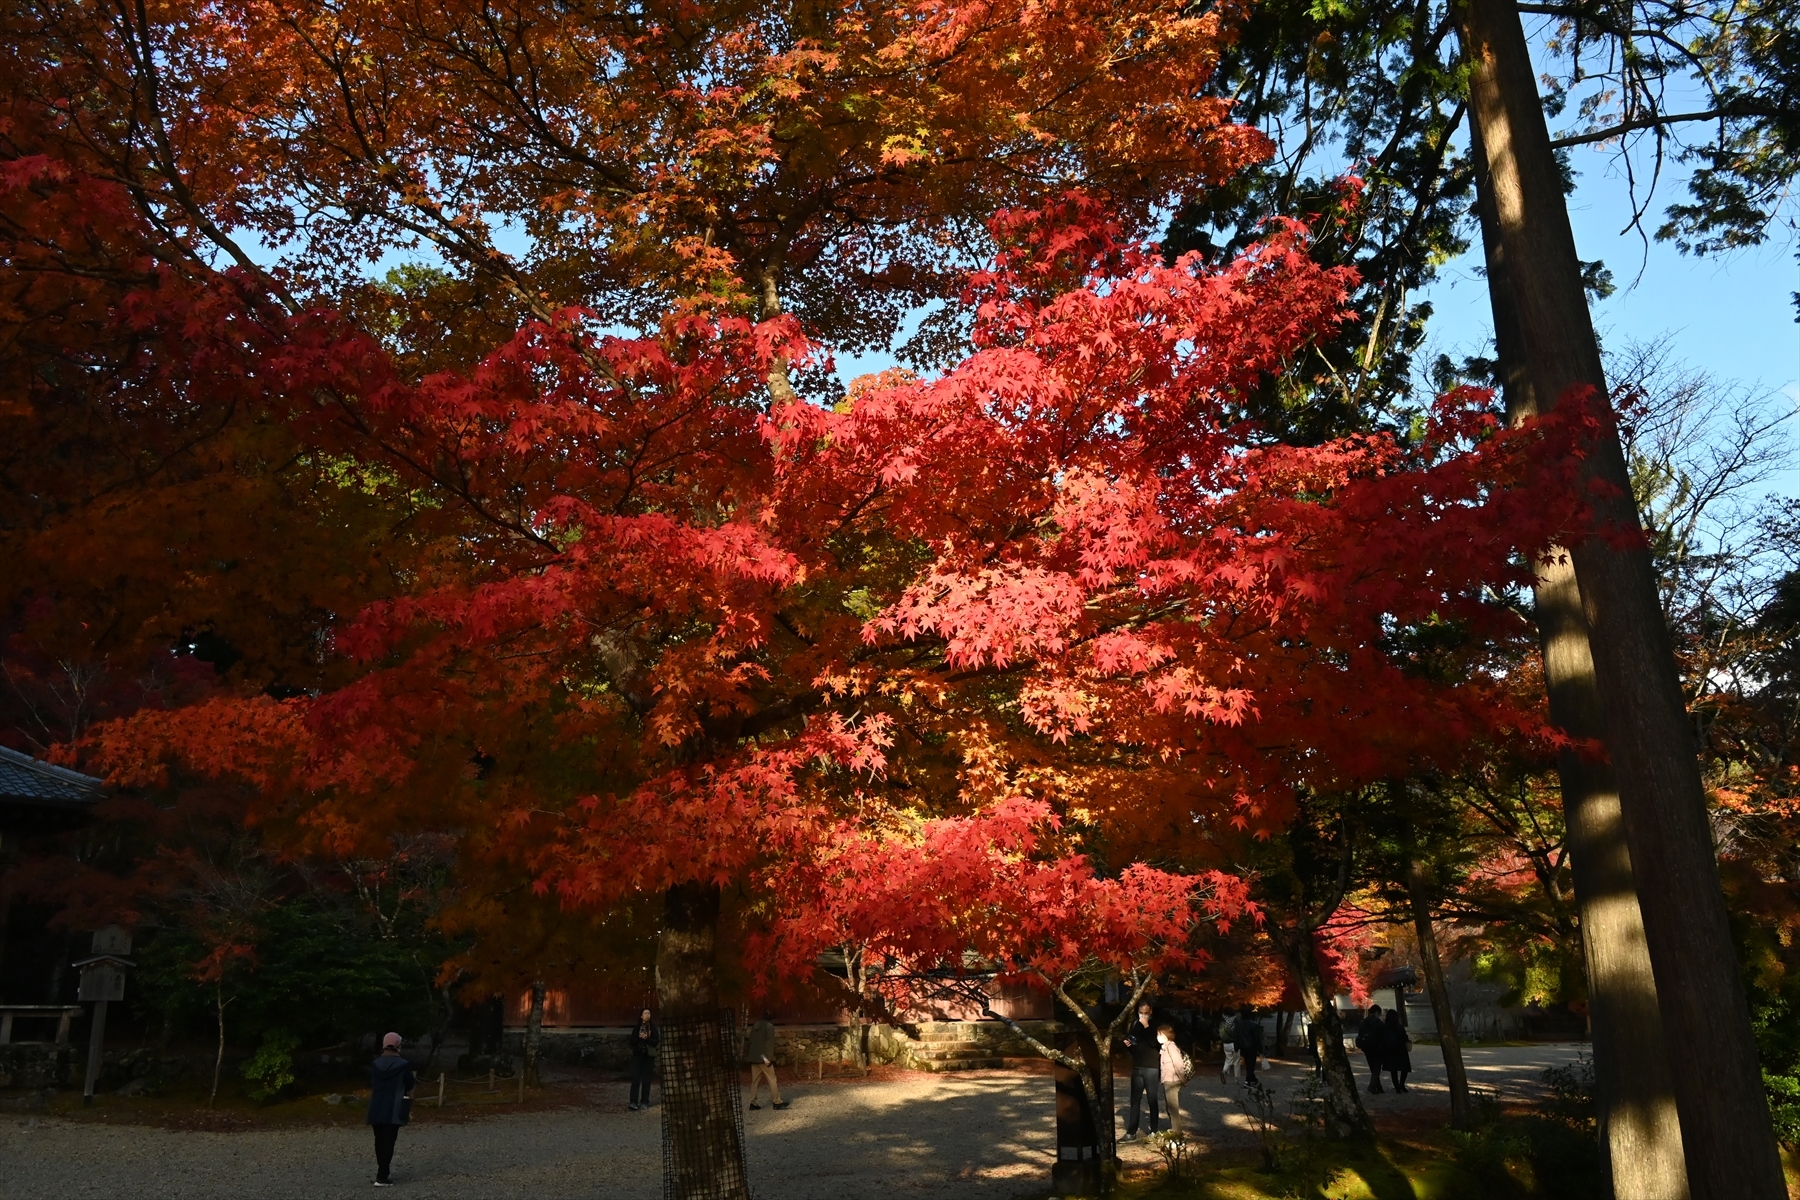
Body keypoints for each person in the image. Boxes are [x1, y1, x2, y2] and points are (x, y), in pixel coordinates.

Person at [366, 1031, 417, 1188]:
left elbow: (372, 1083)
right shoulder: (403, 1065)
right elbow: (410, 1084)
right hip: (393, 1107)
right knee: (389, 1141)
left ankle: (382, 1171)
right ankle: (382, 1176)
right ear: (398, 1046)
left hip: (376, 1106)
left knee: (379, 1140)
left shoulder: (375, 1064)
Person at [1120, 1000, 1162, 1140]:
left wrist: (1147, 1027)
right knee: (1135, 1100)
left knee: (1152, 1099)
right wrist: (1128, 1044)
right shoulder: (1135, 1024)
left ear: (1151, 1012)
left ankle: (1154, 1130)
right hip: (1137, 1066)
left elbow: (1153, 1043)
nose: (1143, 1015)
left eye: (1146, 1013)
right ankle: (1131, 1131)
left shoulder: (1155, 1025)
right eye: (1141, 1012)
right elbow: (1134, 1044)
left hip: (1151, 1067)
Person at [742, 1010, 789, 1110]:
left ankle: (753, 1102)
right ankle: (777, 1102)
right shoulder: (769, 1027)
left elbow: (750, 1041)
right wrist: (767, 1058)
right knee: (772, 1079)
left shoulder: (755, 1025)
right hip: (763, 1058)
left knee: (755, 1081)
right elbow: (769, 1044)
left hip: (754, 1057)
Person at [1156, 1024, 1190, 1136]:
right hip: (1167, 1080)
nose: (1158, 1036)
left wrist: (1183, 1079)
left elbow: (1178, 1064)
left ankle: (1177, 1131)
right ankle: (1175, 1129)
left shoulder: (1171, 1047)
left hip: (1173, 1081)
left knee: (1173, 1107)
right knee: (1170, 1106)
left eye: (1160, 1034)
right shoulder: (1165, 1047)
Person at [629, 1008, 659, 1110]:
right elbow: (632, 1041)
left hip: (648, 1055)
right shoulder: (637, 1028)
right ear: (641, 1016)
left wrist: (647, 1038)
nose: (647, 1015)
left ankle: (644, 1101)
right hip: (638, 1055)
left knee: (646, 1080)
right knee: (636, 1079)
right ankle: (633, 1101)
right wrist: (639, 1038)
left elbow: (656, 1042)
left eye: (649, 1013)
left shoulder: (653, 1028)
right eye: (645, 1013)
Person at [1355, 1004, 1385, 1094]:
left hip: (1366, 1047)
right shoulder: (1379, 1023)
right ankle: (1372, 1086)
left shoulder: (1363, 1022)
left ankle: (1378, 1087)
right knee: (1377, 1068)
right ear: (1376, 1012)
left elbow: (1360, 1034)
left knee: (1373, 1067)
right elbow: (1382, 1036)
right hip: (1377, 1047)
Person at [1382, 1007, 1412, 1093]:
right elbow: (1404, 1037)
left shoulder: (1385, 1027)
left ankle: (1397, 1087)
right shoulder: (1399, 1027)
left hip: (1390, 1050)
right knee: (1404, 1068)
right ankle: (1402, 1084)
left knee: (1393, 1070)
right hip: (1400, 1049)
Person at [1234, 1007, 1264, 1087]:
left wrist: (1236, 1047)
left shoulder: (1239, 1025)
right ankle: (1248, 1081)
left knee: (1248, 1064)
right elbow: (1256, 1038)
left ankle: (1253, 1079)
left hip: (1243, 1047)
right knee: (1251, 1064)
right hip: (1251, 1047)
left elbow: (1236, 1036)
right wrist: (1260, 1049)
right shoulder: (1253, 1025)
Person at [1216, 1007, 1239, 1085]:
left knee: (1228, 1060)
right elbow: (1236, 1033)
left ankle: (1224, 1071)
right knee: (1236, 1061)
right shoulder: (1234, 1021)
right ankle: (1237, 1079)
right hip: (1234, 1043)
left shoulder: (1222, 1022)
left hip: (1225, 1043)